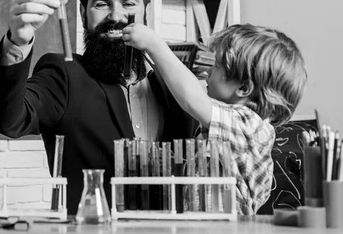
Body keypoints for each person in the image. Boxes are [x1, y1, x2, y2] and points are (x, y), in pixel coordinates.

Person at [0, 0, 197, 214]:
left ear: (145, 11)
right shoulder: (64, 75)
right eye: (102, 4)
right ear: (83, 14)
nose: (116, 16)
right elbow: (2, 118)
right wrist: (17, 41)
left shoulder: (177, 86)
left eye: (129, 3)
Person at [123, 23, 308, 214]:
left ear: (243, 88)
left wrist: (154, 45)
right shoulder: (222, 130)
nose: (208, 73)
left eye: (216, 67)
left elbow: (192, 100)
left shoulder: (250, 127)